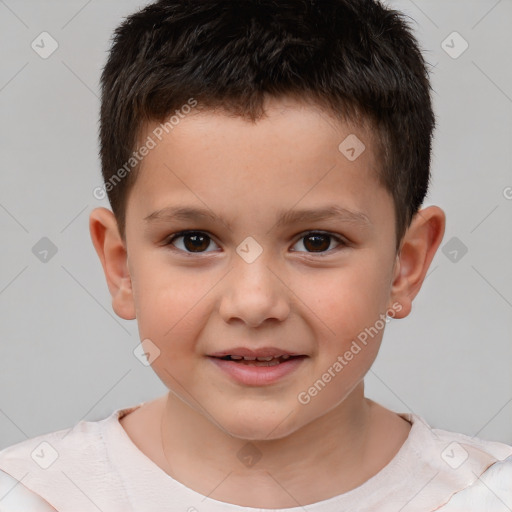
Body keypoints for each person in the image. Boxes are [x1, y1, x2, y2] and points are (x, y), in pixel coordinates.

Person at [1, 0, 511, 510]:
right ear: (121, 266)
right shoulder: (33, 495)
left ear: (407, 264)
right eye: (194, 240)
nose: (253, 302)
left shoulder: (485, 496)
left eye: (317, 241)